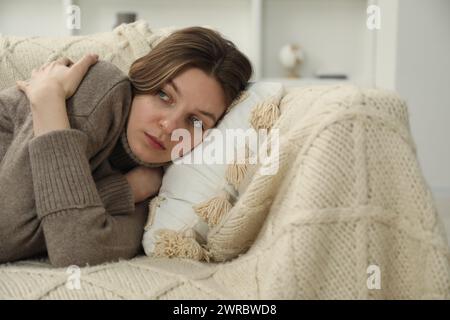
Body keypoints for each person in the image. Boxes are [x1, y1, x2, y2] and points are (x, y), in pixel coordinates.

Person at [0, 26, 252, 267]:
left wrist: (127, 191)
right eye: (164, 95)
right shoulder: (100, 89)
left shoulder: (159, 190)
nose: (169, 125)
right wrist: (48, 101)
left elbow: (80, 250)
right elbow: (7, 234)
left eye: (195, 121)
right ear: (143, 78)